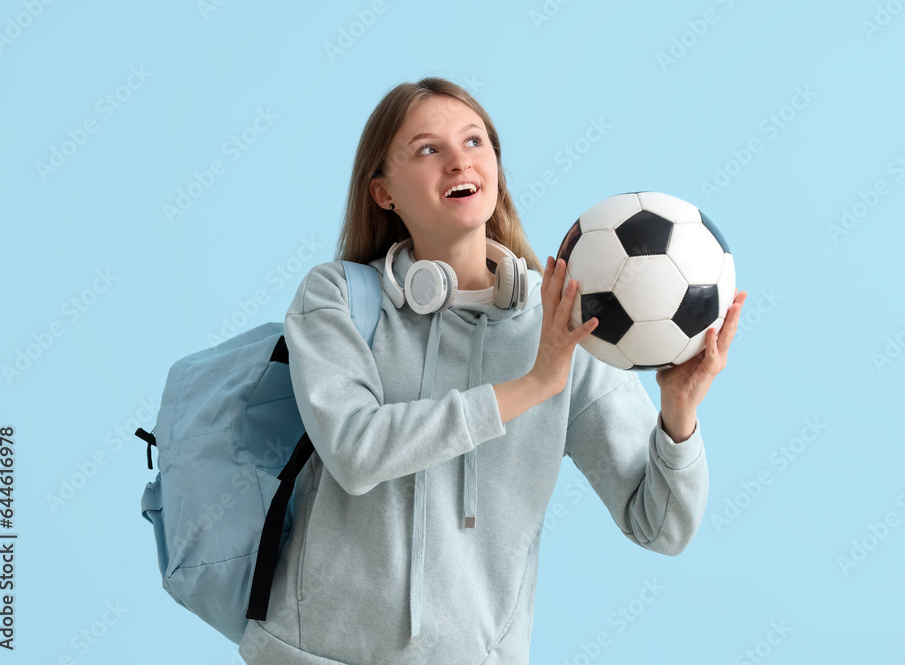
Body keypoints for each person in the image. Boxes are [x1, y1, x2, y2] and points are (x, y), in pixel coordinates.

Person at [239, 76, 747, 665]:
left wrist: (678, 419)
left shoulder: (564, 323)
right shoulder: (337, 298)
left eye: (475, 141)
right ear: (383, 192)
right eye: (429, 149)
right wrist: (531, 386)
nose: (460, 160)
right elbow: (356, 451)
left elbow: (660, 528)